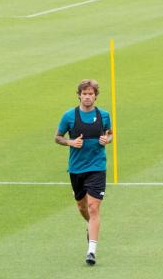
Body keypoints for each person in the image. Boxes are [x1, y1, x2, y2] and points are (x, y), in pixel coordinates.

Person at [55, 79, 112, 266]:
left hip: (97, 167)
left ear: (95, 96)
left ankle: (91, 251)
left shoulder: (104, 115)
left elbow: (109, 133)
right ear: (79, 95)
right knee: (82, 207)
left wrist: (107, 139)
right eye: (84, 94)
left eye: (91, 94)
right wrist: (70, 142)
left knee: (94, 207)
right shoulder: (69, 116)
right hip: (77, 168)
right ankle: (90, 225)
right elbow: (57, 137)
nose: (87, 97)